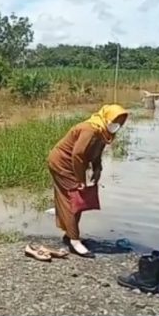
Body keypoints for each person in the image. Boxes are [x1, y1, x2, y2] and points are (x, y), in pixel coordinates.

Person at [46, 104, 128, 258]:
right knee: (74, 198)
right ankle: (75, 241)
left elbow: (96, 154)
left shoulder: (103, 132)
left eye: (122, 122)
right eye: (116, 120)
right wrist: (80, 180)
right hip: (62, 162)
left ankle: (69, 234)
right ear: (106, 117)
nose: (118, 125)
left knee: (73, 199)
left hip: (72, 164)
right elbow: (77, 155)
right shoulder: (90, 129)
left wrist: (98, 169)